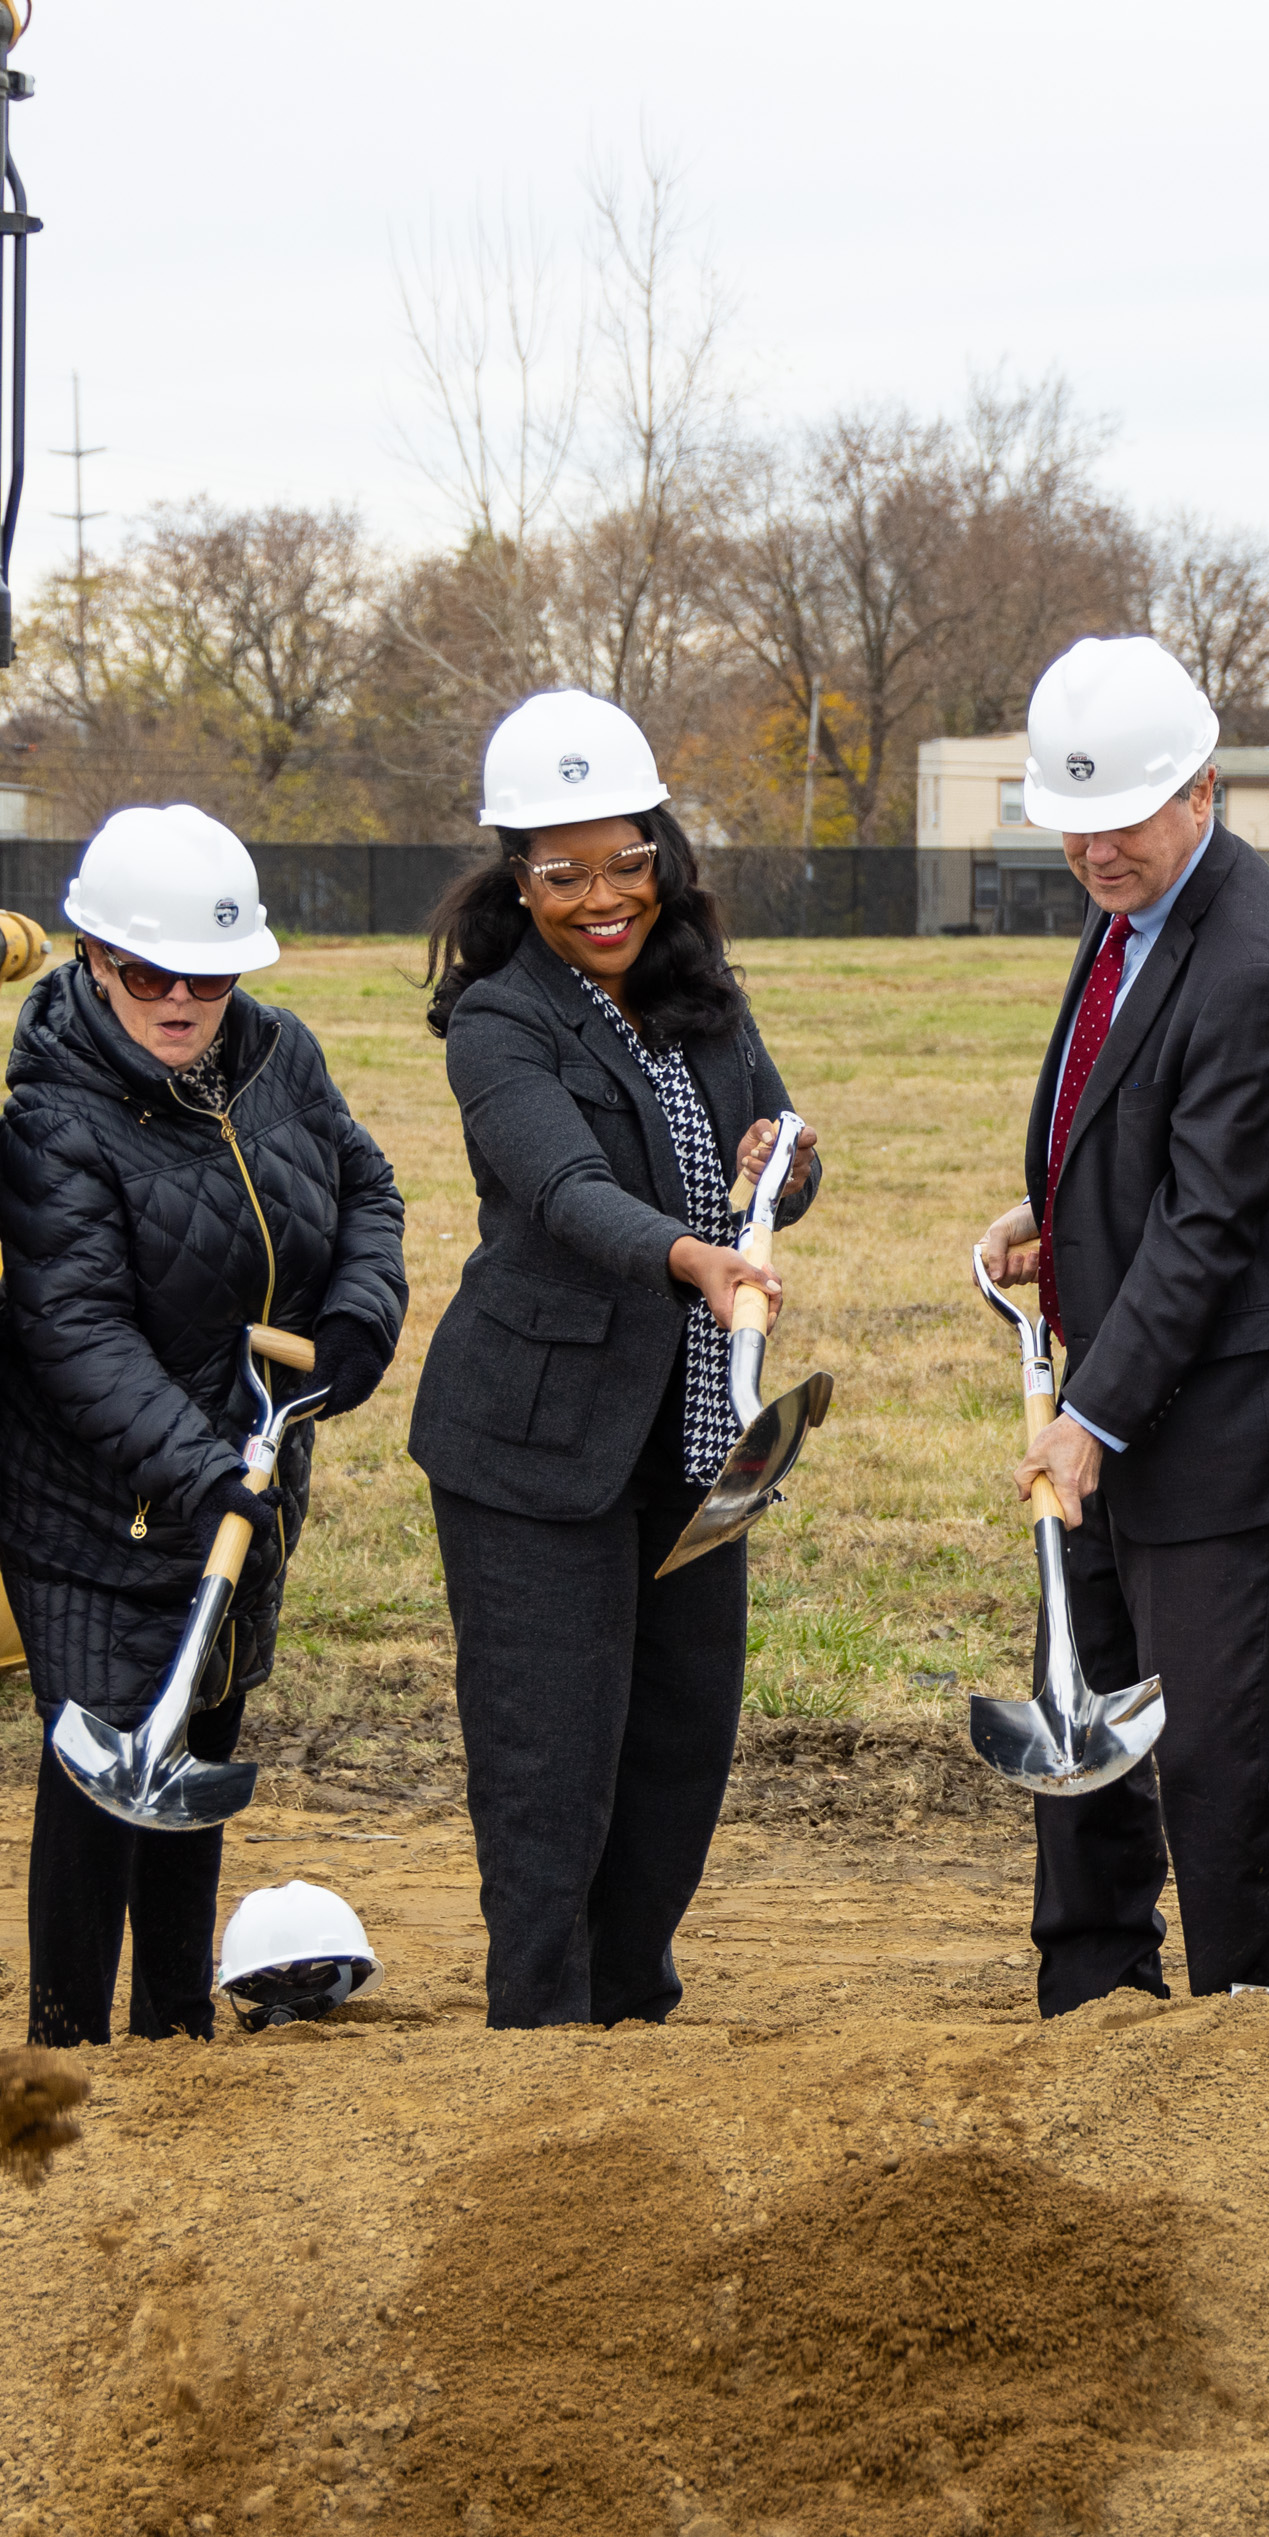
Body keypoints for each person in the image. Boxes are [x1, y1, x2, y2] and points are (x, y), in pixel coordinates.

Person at [409, 689, 821, 2029]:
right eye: (564, 872)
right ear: (516, 880)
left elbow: (772, 1151)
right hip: (537, 1445)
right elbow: (564, 1187)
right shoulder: (499, 1023)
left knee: (678, 1749)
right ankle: (538, 2028)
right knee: (552, 1764)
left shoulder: (701, 990)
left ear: (661, 851)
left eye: (626, 862)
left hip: (700, 1439)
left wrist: (784, 1166)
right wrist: (693, 1259)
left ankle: (632, 2009)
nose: (603, 897)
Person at [0, 804, 407, 2046]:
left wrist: (360, 1320)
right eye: (148, 972)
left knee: (200, 1734)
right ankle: (66, 2038)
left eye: (208, 973)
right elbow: (74, 1325)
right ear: (92, 958)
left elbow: (365, 1184)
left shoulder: (281, 1055)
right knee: (103, 1764)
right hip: (92, 1496)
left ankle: (173, 2029)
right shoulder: (57, 1114)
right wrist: (200, 1467)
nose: (180, 998)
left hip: (252, 1462)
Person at [974, 636, 1269, 2014]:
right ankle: (1092, 2006)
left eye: (1120, 818)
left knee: (1202, 1753)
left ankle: (1251, 2020)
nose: (1092, 850)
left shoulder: (1255, 965)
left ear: (1204, 787)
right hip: (1130, 1396)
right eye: (1070, 824)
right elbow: (1136, 1124)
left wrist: (1089, 1417)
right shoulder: (1132, 902)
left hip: (1230, 1431)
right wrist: (1057, 1216)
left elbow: (1213, 1228)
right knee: (1080, 1724)